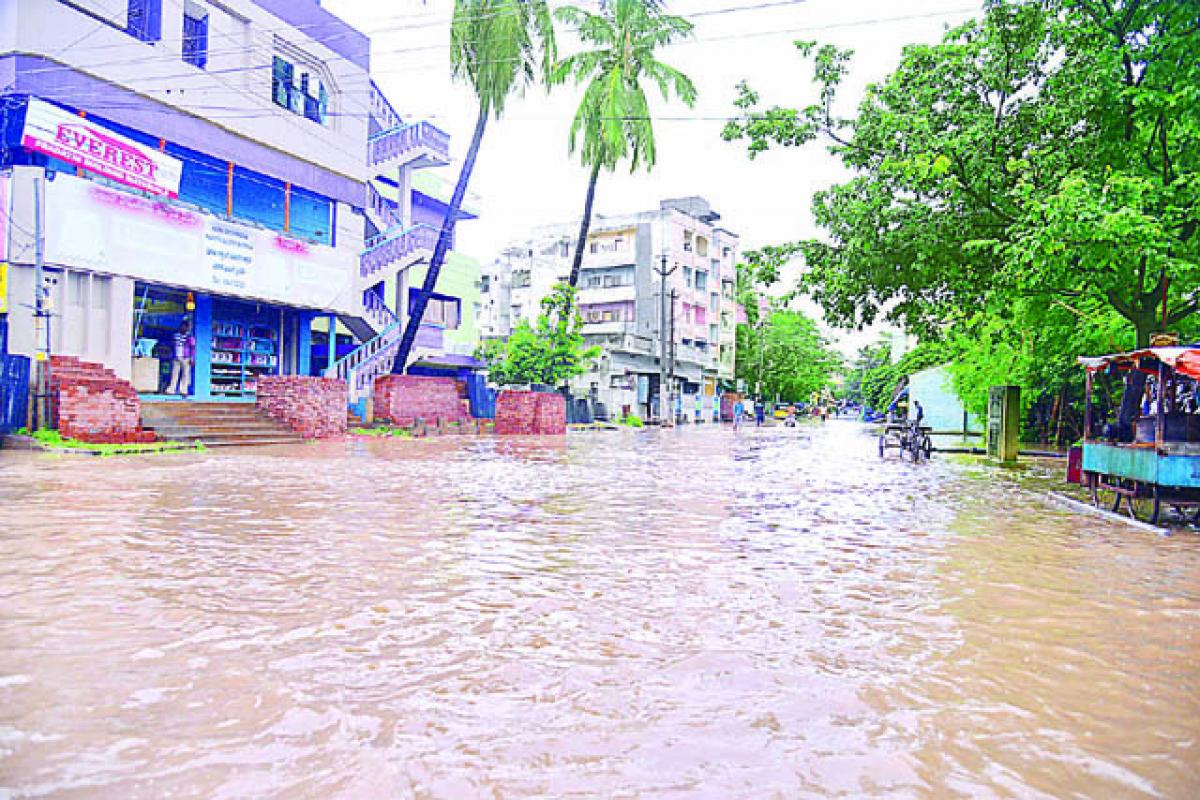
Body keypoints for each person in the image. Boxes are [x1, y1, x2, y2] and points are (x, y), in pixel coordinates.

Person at [168, 318, 195, 397]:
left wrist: (192, 358)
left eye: (185, 327)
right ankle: (171, 389)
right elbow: (173, 345)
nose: (183, 328)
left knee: (185, 374)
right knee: (174, 373)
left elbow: (192, 347)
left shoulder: (189, 337)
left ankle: (184, 390)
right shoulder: (176, 335)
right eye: (182, 326)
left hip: (186, 357)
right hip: (176, 357)